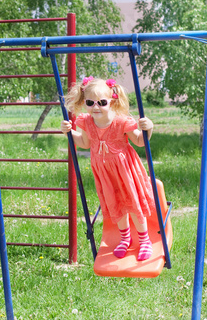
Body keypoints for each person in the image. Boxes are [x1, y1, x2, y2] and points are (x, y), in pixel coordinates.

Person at [60, 77, 155, 261]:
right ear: (84, 102)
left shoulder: (121, 121)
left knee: (133, 204)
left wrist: (148, 129)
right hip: (105, 173)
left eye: (102, 102)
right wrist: (69, 133)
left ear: (112, 100)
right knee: (116, 203)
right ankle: (125, 238)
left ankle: (144, 241)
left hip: (125, 171)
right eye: (90, 103)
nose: (96, 107)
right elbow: (85, 143)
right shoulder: (87, 122)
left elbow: (140, 142)